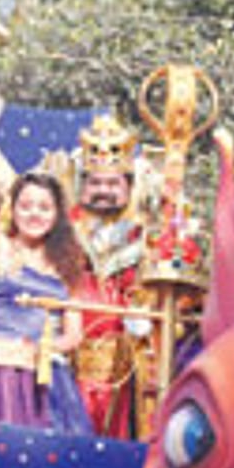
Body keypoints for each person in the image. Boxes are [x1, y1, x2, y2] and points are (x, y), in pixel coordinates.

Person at [0, 88, 93, 434]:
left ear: (57, 214)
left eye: (44, 207)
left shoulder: (69, 263)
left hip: (47, 377)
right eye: (26, 206)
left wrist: (43, 349)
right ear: (13, 211)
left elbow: (74, 334)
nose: (35, 214)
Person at [67, 115, 145, 438]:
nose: (103, 192)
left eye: (113, 184)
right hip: (68, 369)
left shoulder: (144, 236)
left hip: (124, 378)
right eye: (95, 183)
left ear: (129, 186)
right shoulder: (61, 232)